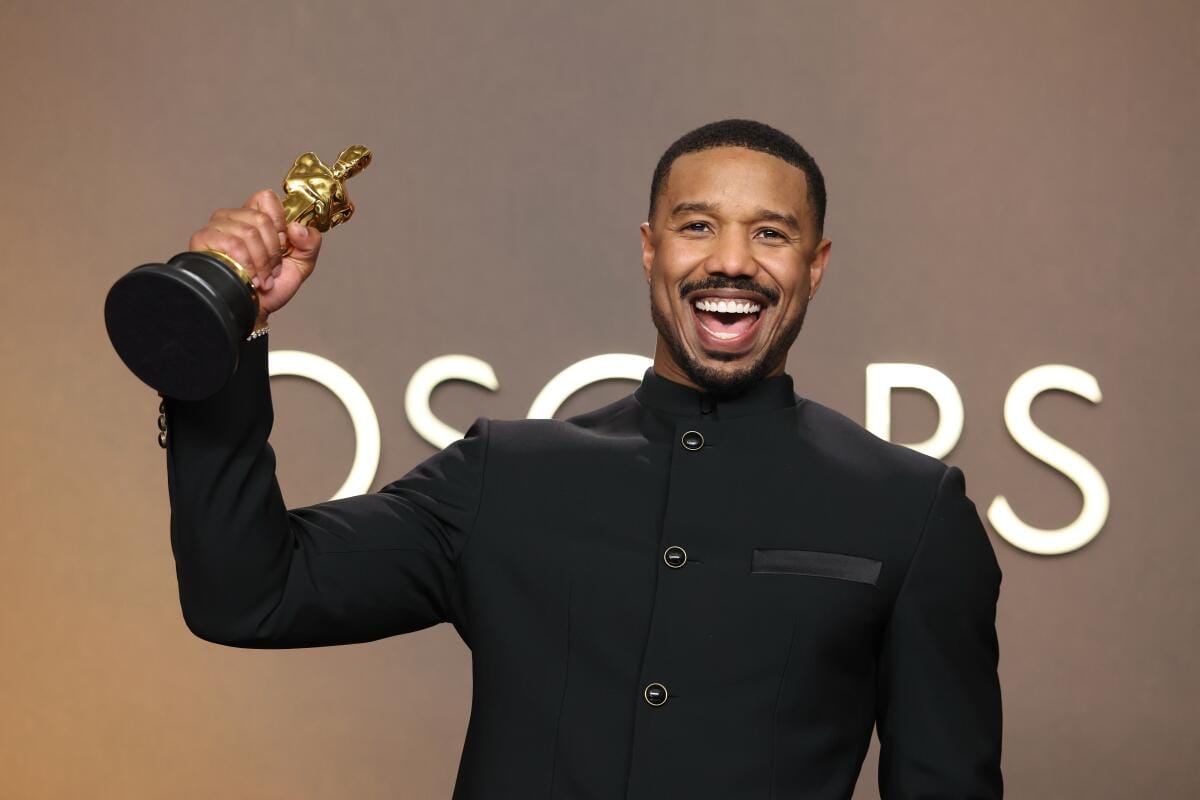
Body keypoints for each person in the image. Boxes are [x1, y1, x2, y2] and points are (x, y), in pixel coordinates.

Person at [165, 119, 1002, 799]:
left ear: (815, 267)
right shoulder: (505, 476)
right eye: (697, 226)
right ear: (650, 248)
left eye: (771, 233)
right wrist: (227, 331)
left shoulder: (911, 510)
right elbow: (248, 596)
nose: (731, 260)